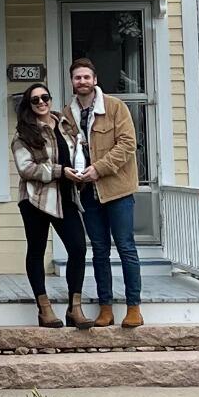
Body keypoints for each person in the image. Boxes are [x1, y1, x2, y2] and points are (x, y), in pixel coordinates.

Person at [64, 57, 144, 329]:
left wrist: (99, 168)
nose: (82, 81)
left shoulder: (114, 107)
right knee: (99, 251)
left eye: (87, 77)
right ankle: (105, 308)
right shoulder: (68, 114)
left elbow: (127, 144)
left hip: (117, 188)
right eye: (77, 78)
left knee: (126, 247)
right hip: (88, 191)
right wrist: (72, 172)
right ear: (72, 82)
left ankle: (133, 308)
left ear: (95, 80)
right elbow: (67, 149)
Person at [11, 82, 89, 329]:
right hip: (36, 199)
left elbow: (76, 153)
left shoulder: (65, 126)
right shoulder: (23, 135)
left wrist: (80, 171)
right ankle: (44, 309)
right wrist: (59, 171)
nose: (42, 102)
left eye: (45, 97)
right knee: (37, 250)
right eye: (35, 100)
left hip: (66, 196)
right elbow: (26, 168)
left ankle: (74, 309)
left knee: (77, 248)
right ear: (29, 105)